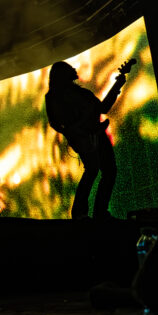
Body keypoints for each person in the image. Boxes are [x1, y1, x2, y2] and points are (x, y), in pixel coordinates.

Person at [45, 61, 127, 219]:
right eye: (70, 68)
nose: (74, 69)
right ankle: (91, 212)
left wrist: (118, 84)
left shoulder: (76, 94)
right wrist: (73, 131)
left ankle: (86, 212)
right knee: (101, 171)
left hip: (92, 136)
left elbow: (102, 108)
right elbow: (55, 122)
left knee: (99, 171)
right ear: (63, 74)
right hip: (88, 137)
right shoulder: (58, 97)